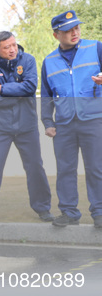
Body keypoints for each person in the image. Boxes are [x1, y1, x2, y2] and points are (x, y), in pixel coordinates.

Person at [0, 31, 53, 224]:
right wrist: (17, 95)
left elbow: (30, 87)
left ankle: (43, 209)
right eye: (7, 47)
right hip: (0, 128)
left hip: (27, 126)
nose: (12, 50)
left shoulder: (27, 61)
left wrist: (3, 89)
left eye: (14, 45)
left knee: (35, 167)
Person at [41, 10, 102, 228]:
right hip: (64, 124)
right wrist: (48, 122)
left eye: (76, 27)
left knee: (96, 167)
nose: (74, 32)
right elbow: (46, 95)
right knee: (65, 169)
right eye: (68, 30)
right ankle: (68, 212)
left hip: (94, 119)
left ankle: (99, 212)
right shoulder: (49, 62)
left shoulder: (96, 48)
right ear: (56, 34)